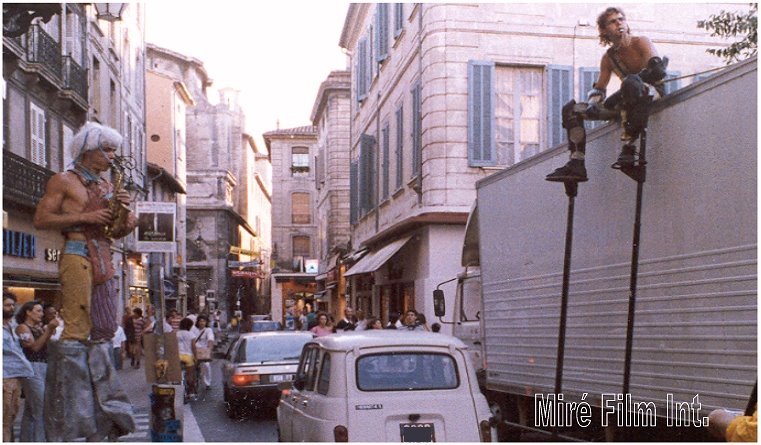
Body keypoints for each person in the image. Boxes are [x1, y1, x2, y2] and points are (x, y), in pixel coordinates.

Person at [32, 122, 136, 440]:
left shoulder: (105, 187)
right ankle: (76, 411)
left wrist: (126, 217)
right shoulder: (63, 180)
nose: (112, 157)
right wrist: (86, 217)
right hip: (77, 252)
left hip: (103, 254)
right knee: (77, 330)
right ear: (87, 150)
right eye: (107, 150)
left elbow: (114, 231)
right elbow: (41, 219)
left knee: (103, 329)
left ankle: (100, 409)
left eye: (114, 151)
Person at [546, 6, 668, 182]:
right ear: (604, 30)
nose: (619, 23)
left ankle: (629, 148)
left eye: (621, 19)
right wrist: (593, 104)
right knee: (572, 110)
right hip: (627, 97)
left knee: (631, 84)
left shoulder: (641, 42)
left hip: (650, 92)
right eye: (613, 21)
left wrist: (619, 94)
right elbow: (600, 88)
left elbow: (656, 72)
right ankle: (577, 163)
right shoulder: (609, 57)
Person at [16, 300, 58, 442]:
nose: (41, 314)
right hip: (32, 368)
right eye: (38, 311)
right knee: (41, 410)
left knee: (31, 409)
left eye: (41, 311)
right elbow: (34, 347)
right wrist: (47, 330)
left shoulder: (39, 327)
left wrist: (50, 331)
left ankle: (26, 439)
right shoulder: (23, 328)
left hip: (43, 366)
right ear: (28, 312)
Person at [3, 291, 34, 442]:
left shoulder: (12, 325)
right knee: (4, 418)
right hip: (4, 376)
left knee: (10, 417)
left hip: (16, 376)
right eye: (7, 305)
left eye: (12, 305)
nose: (11, 308)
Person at [176, 318, 198, 400]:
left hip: (177, 356)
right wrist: (195, 357)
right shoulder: (191, 334)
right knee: (190, 375)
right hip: (188, 356)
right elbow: (193, 347)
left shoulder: (176, 334)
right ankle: (191, 392)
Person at [194, 315, 215, 391]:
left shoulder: (208, 330)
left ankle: (207, 383)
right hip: (194, 350)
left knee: (206, 365)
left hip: (204, 351)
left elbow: (210, 339)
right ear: (198, 322)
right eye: (200, 321)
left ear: (206, 322)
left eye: (203, 321)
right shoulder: (194, 330)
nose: (202, 323)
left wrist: (209, 348)